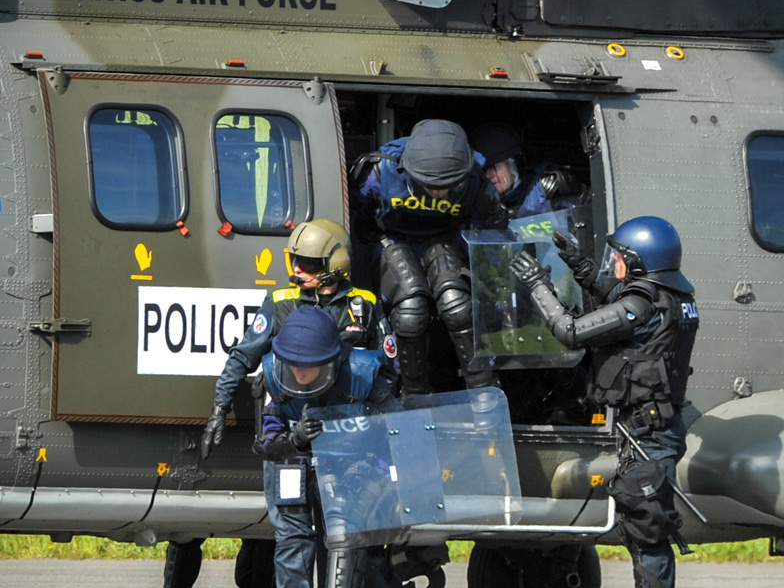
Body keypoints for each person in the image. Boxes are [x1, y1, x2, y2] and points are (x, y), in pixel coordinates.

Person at [509, 216, 698, 588]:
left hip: (649, 436)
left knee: (649, 537)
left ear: (642, 262)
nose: (617, 264)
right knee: (643, 531)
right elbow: (620, 301)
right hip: (652, 428)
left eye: (622, 257)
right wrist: (581, 268)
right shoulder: (670, 297)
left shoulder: (643, 307)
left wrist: (537, 286)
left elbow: (572, 331)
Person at [201, 218, 389, 458]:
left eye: (307, 263)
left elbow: (387, 368)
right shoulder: (281, 303)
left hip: (348, 418)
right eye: (294, 261)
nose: (297, 269)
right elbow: (243, 356)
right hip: (292, 414)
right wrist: (219, 408)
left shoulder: (366, 304)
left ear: (335, 264)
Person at [351, 118, 506, 396]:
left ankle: (485, 393)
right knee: (410, 312)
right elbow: (357, 217)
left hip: (445, 239)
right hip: (392, 239)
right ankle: (413, 396)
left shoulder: (474, 178)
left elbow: (490, 227)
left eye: (446, 185)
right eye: (430, 184)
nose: (437, 192)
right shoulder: (381, 171)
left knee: (457, 306)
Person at [254, 305, 400, 588]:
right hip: (296, 468)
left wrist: (377, 473)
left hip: (353, 470)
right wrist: (293, 440)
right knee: (292, 546)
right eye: (292, 362)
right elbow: (264, 446)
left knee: (356, 547)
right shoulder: (273, 378)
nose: (298, 370)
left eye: (307, 363)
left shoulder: (363, 376)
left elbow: (396, 433)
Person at [469, 122, 588, 220]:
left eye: (494, 167)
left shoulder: (548, 190)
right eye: (483, 170)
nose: (488, 175)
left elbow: (580, 230)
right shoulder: (475, 204)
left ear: (513, 165)